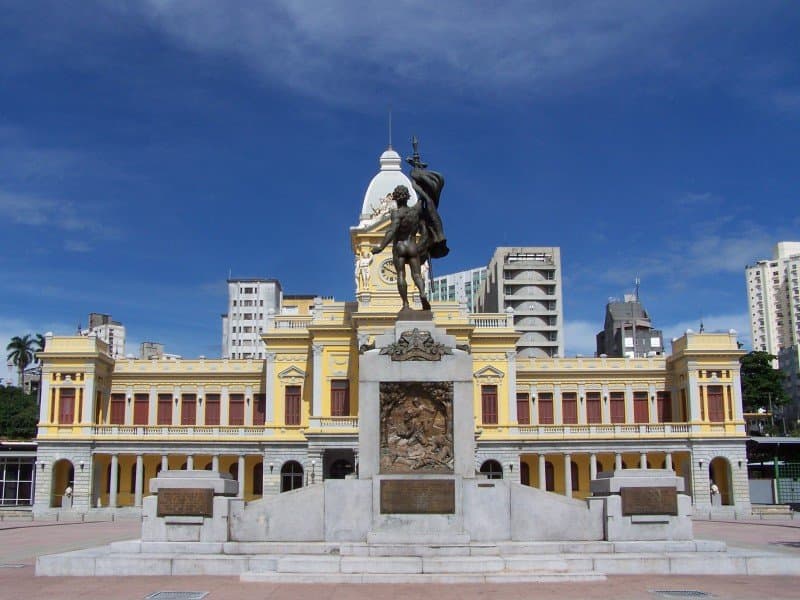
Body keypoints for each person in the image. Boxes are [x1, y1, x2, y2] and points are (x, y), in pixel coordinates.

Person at [372, 185, 432, 310]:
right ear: (407, 197)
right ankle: (422, 292)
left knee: (400, 274)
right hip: (412, 246)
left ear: (395, 198)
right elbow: (424, 196)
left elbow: (392, 231)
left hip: (400, 247)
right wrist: (419, 182)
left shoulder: (397, 213)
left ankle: (405, 304)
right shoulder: (416, 211)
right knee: (417, 275)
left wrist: (381, 247)